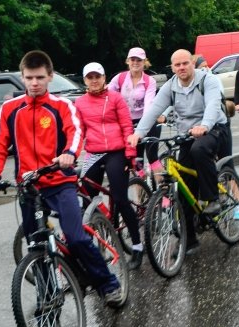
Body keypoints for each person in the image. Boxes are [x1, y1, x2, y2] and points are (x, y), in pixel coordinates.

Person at [0, 50, 124, 306]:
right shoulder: (10, 109)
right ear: (22, 78)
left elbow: (76, 132)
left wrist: (69, 153)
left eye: (39, 77)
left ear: (50, 77)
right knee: (36, 245)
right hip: (29, 188)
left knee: (76, 236)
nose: (34, 83)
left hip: (60, 183)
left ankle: (108, 284)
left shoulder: (61, 106)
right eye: (29, 78)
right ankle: (48, 297)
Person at [128, 49, 230, 254]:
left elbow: (212, 106)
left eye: (185, 63)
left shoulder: (206, 80)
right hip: (186, 134)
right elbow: (155, 109)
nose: (181, 68)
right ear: (172, 67)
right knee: (183, 189)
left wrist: (205, 125)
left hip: (212, 129)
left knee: (200, 150)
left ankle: (212, 199)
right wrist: (138, 133)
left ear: (192, 63)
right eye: (177, 65)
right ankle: (189, 240)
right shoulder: (171, 86)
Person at [76, 63, 144, 270]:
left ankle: (137, 246)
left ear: (105, 78)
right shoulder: (79, 103)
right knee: (85, 200)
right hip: (94, 153)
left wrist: (130, 155)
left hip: (116, 151)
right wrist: (69, 154)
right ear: (85, 80)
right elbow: (78, 132)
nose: (94, 80)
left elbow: (126, 126)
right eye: (90, 77)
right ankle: (93, 250)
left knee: (121, 199)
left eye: (98, 76)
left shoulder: (115, 98)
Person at [108, 46, 160, 169]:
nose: (135, 63)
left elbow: (149, 104)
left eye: (139, 60)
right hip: (126, 122)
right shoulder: (120, 78)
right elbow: (108, 95)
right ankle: (140, 186)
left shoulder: (149, 81)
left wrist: (143, 127)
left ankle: (161, 185)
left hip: (146, 120)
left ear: (144, 62)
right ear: (128, 61)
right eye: (133, 60)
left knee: (152, 156)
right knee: (136, 159)